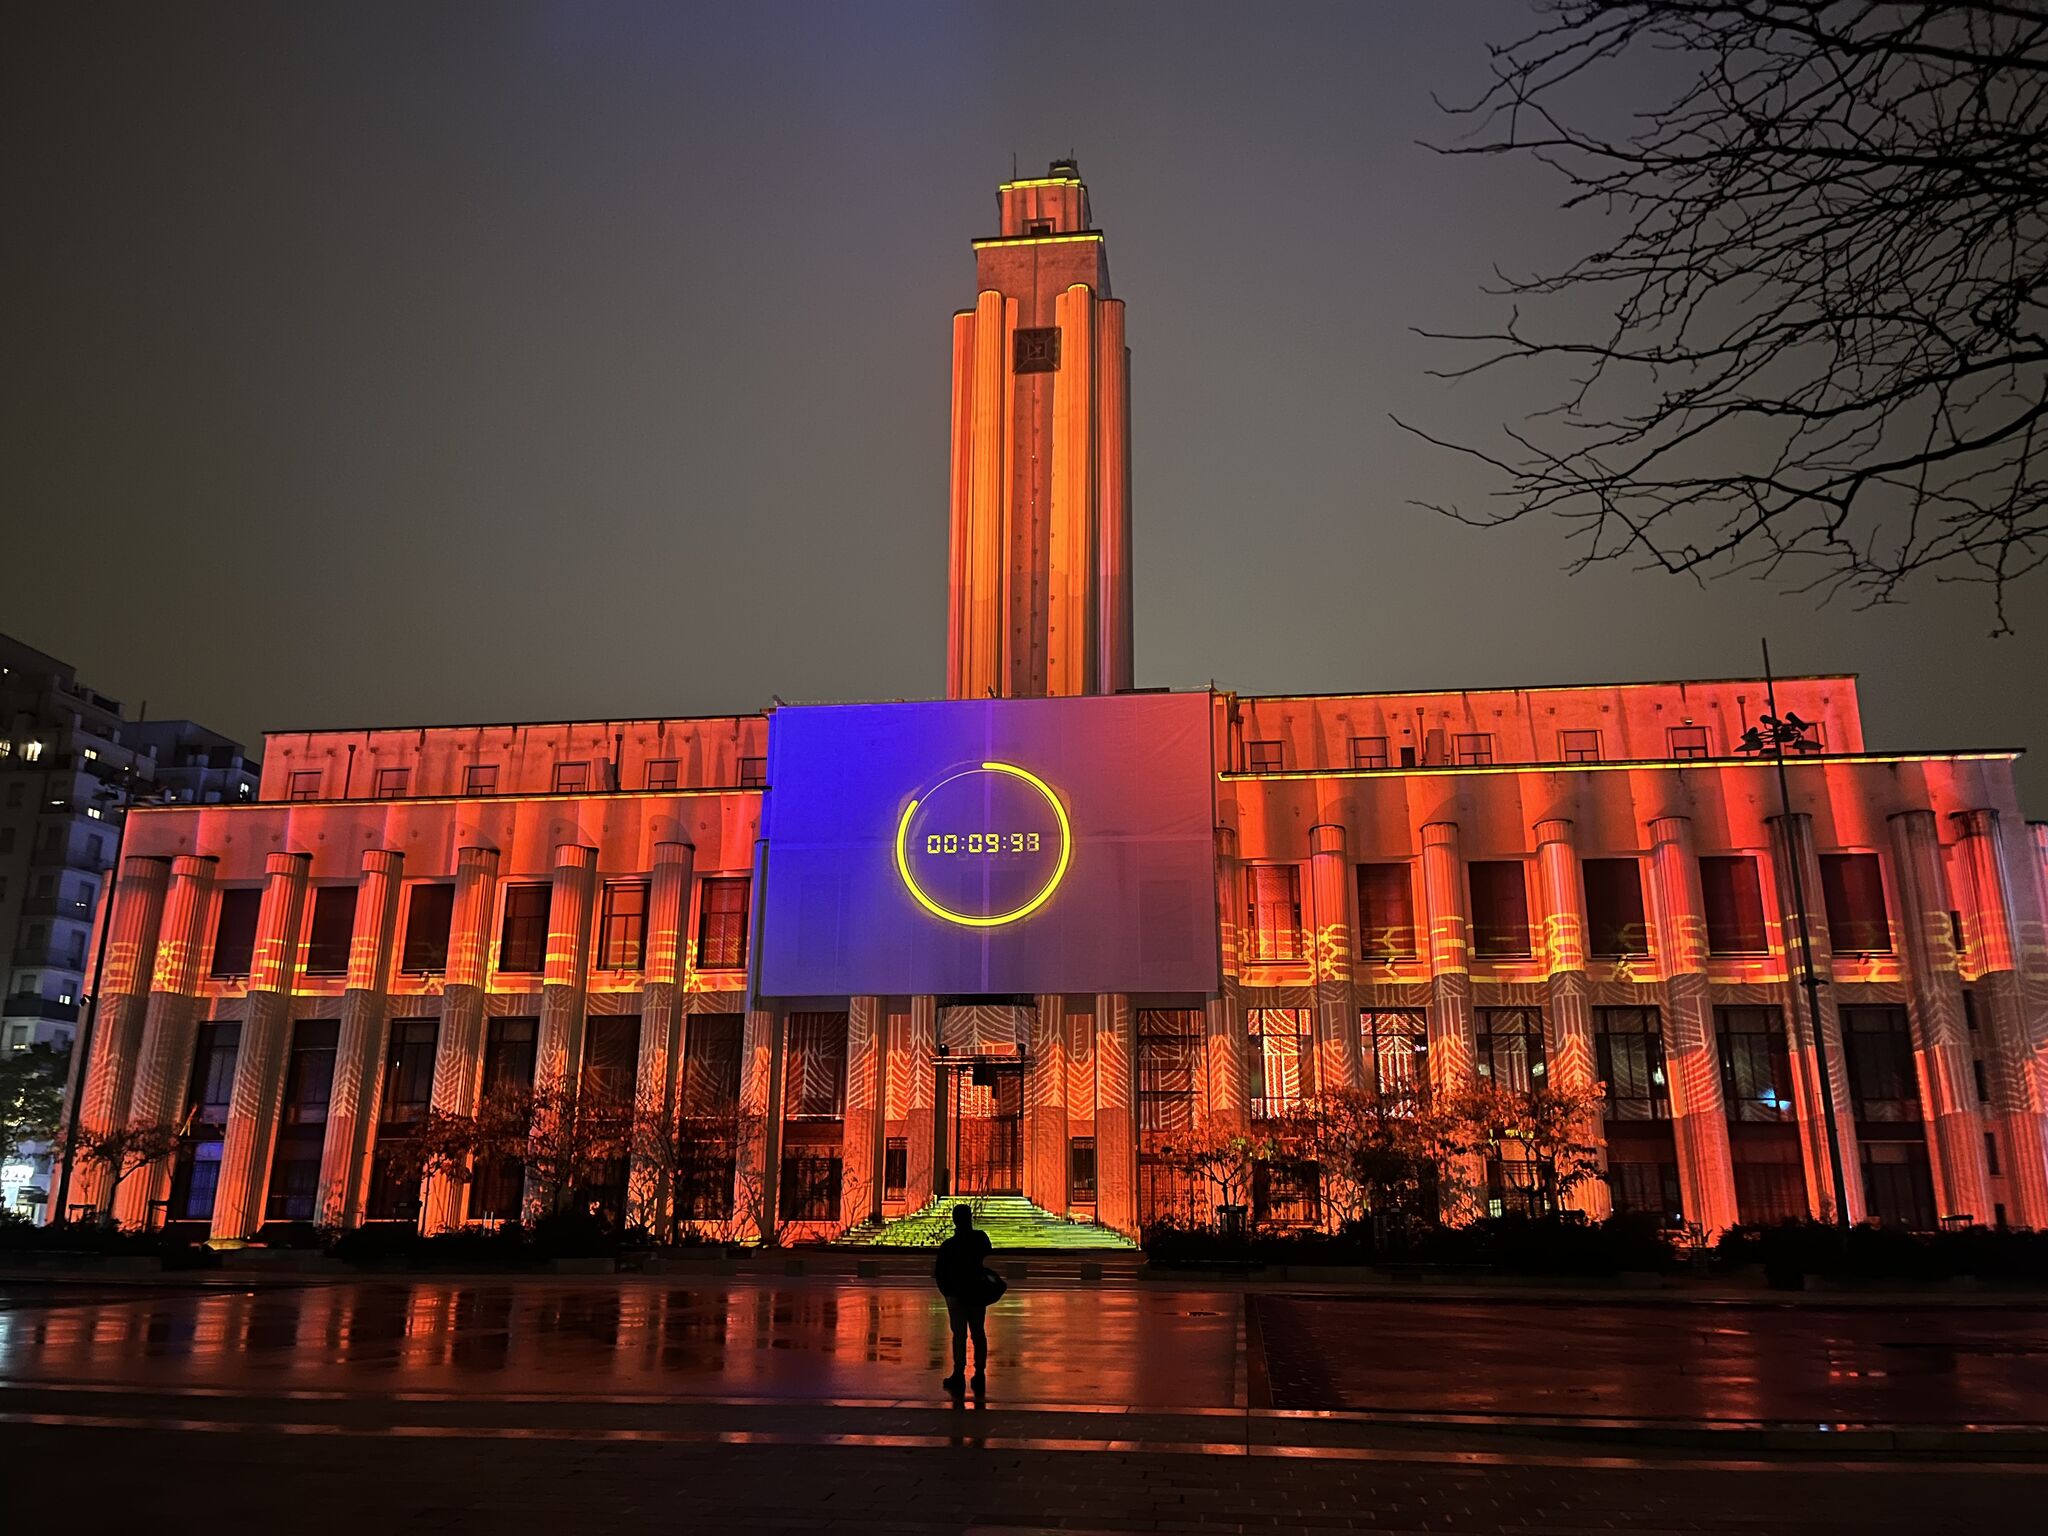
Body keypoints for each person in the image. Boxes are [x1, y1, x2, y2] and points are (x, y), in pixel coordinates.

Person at [933, 1202, 998, 1394]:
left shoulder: (949, 1246)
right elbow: (988, 1257)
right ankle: (979, 1373)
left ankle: (959, 1373)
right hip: (976, 1293)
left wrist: (948, 1292)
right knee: (978, 1332)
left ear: (954, 1220)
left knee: (959, 1334)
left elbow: (940, 1272)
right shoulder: (980, 1239)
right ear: (970, 1218)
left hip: (957, 1295)